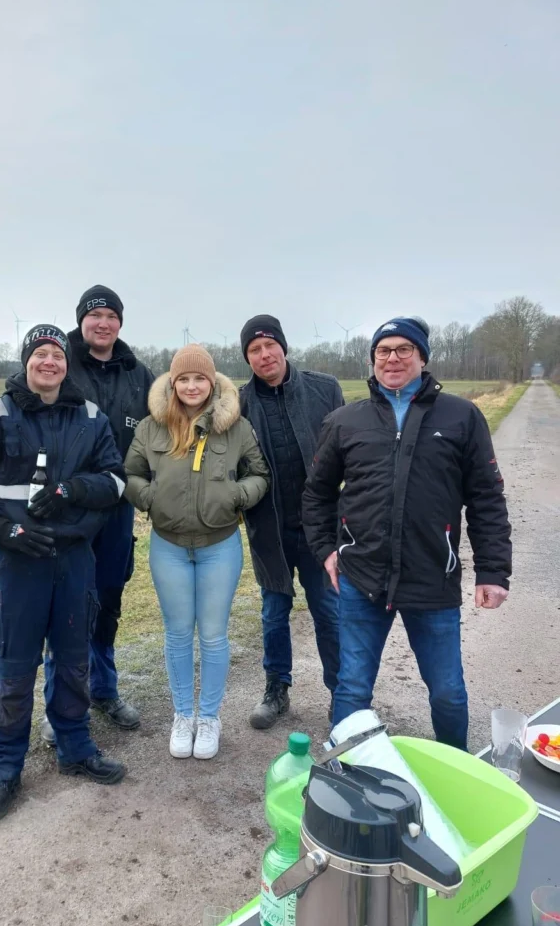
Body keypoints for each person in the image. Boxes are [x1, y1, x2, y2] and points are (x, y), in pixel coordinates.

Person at [0, 323, 128, 821]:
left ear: (68, 364)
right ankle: (4, 768)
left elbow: (113, 480)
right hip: (19, 563)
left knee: (72, 660)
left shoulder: (90, 417)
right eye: (40, 353)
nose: (50, 362)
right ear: (27, 361)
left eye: (57, 355)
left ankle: (75, 747)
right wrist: (3, 531)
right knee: (16, 666)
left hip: (72, 560)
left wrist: (72, 493)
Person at [302, 316, 512, 751]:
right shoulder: (344, 420)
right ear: (373, 359)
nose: (392, 358)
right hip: (362, 578)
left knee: (448, 692)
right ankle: (342, 775)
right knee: (352, 688)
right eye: (383, 350)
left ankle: (457, 770)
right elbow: (316, 494)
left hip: (432, 578)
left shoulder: (462, 416)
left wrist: (493, 571)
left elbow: (487, 498)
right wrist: (326, 549)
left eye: (403, 349)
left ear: (422, 357)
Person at [124, 345, 269, 760]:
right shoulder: (152, 427)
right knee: (176, 633)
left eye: (199, 378)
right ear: (173, 383)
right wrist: (149, 498)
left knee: (213, 635)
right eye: (183, 379)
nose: (191, 386)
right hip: (168, 546)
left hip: (218, 547)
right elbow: (130, 473)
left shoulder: (236, 426)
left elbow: (259, 474)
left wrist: (236, 496)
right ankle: (182, 714)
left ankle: (209, 717)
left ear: (212, 382)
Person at [39, 285, 153, 742]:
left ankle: (104, 689)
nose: (102, 323)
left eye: (110, 315)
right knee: (67, 603)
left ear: (120, 323)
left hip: (118, 508)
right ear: (81, 321)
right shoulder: (59, 362)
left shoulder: (139, 374)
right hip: (67, 506)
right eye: (94, 315)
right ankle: (60, 705)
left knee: (108, 597)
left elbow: (158, 433)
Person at [238, 315, 343, 729]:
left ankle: (343, 692)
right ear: (247, 357)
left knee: (329, 614)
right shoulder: (239, 404)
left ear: (283, 347)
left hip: (320, 529)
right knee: (273, 613)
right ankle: (276, 688)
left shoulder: (325, 389)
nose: (264, 355)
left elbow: (348, 454)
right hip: (270, 528)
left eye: (269, 346)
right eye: (254, 350)